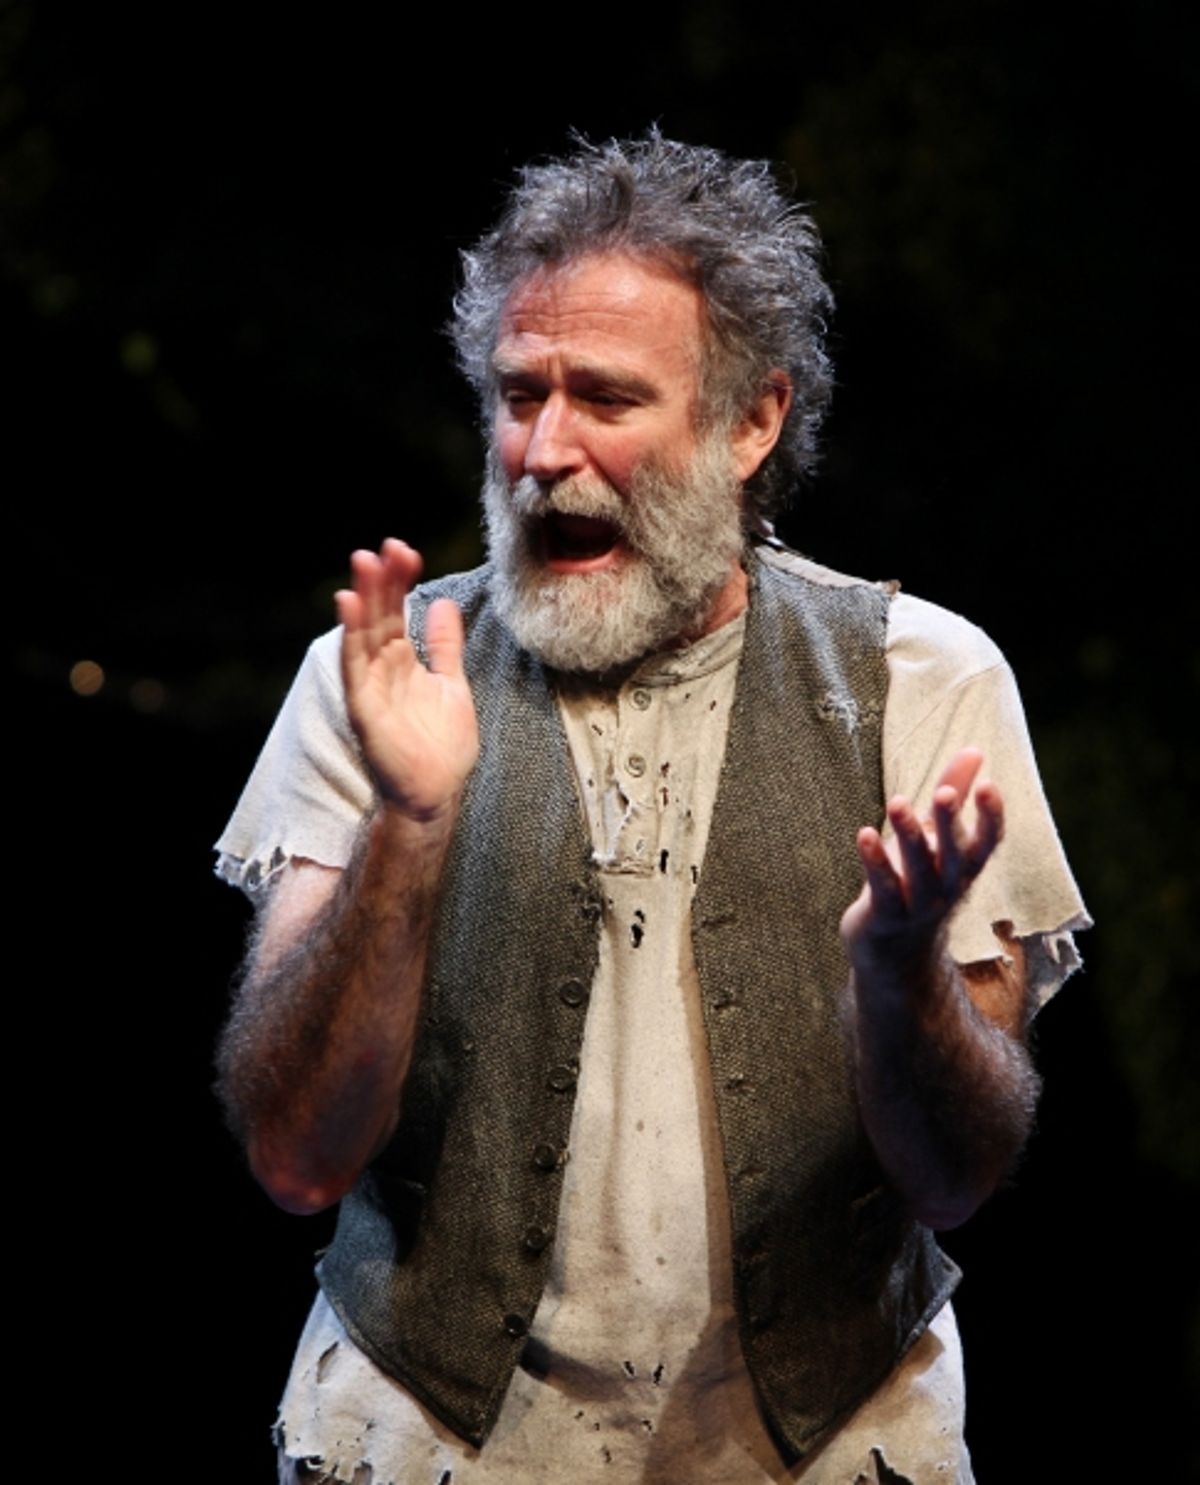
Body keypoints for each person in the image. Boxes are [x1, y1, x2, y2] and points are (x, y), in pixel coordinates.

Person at [215, 133, 1089, 1484]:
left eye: (606, 397)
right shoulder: (375, 677)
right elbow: (294, 1155)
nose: (543, 449)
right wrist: (407, 826)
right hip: (430, 1442)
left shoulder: (924, 680)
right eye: (517, 394)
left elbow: (955, 1180)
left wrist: (900, 971)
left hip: (821, 1447)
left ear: (752, 423)